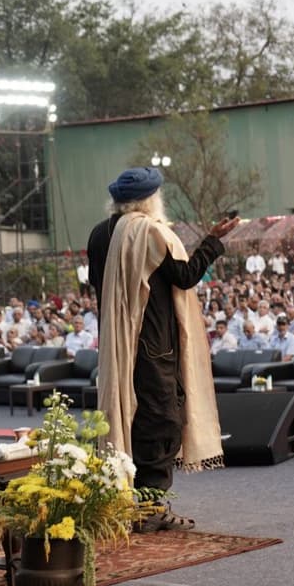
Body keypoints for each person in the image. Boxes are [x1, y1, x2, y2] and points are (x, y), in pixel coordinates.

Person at [89, 166, 237, 533]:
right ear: (151, 199)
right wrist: (212, 241)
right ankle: (150, 508)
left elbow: (97, 283)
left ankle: (129, 504)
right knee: (161, 421)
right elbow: (185, 277)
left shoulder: (99, 234)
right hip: (154, 346)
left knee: (130, 418)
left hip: (117, 342)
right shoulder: (152, 232)